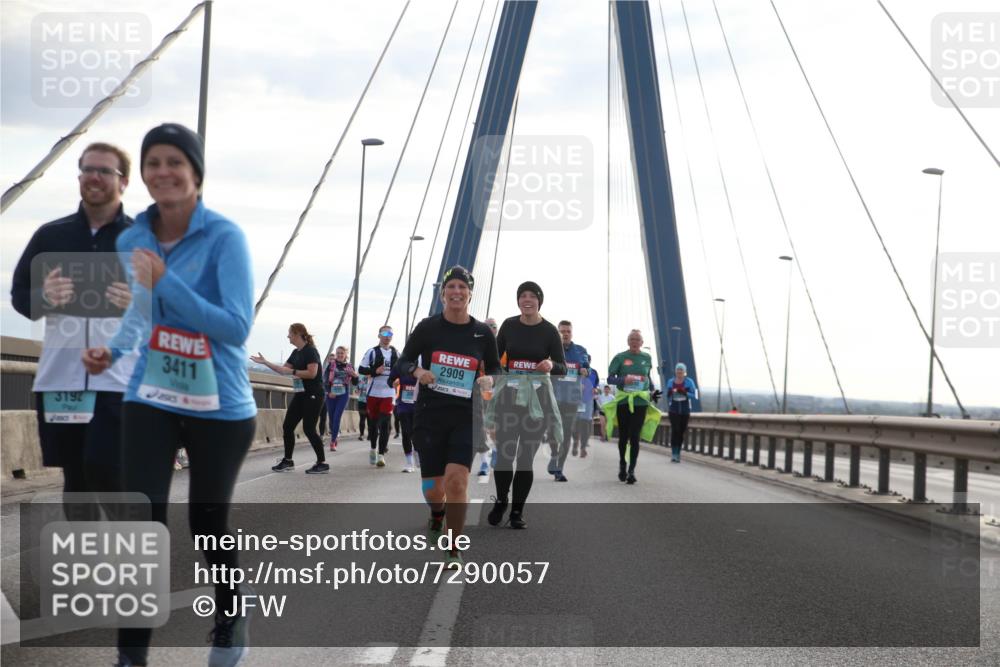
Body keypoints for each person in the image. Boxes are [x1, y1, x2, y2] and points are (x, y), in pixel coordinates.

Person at [81, 123, 257, 667]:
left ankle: (230, 621)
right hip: (153, 392)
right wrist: (113, 350)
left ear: (195, 173)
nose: (163, 172)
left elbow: (235, 327)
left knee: (206, 523)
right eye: (153, 162)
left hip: (220, 404)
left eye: (175, 162)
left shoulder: (225, 237)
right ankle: (130, 656)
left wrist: (166, 281)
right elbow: (142, 311)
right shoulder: (132, 239)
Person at [11, 142, 134, 517]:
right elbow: (20, 298)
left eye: (104, 171)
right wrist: (44, 297)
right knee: (77, 479)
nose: (93, 177)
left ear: (124, 181)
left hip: (120, 379)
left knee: (107, 469)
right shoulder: (51, 235)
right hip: (62, 379)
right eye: (87, 169)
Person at [397, 266, 500, 568]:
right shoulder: (428, 328)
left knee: (457, 483)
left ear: (470, 293)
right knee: (433, 489)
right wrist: (418, 371)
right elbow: (403, 362)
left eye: (462, 287)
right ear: (443, 293)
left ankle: (453, 547)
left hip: (466, 416)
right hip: (430, 414)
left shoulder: (483, 333)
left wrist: (489, 380)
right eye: (451, 287)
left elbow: (494, 368)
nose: (457, 292)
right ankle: (436, 513)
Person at [489, 281, 566, 529]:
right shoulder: (509, 326)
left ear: (539, 301)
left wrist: (551, 366)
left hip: (537, 402)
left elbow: (562, 368)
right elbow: (493, 360)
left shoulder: (550, 331)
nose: (527, 299)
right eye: (523, 296)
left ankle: (517, 512)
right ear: (518, 301)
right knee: (504, 456)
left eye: (532, 296)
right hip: (509, 400)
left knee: (524, 460)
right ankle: (502, 500)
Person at [254, 324, 327, 474]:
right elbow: (283, 370)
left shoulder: (311, 351)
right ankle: (288, 461)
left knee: (309, 429)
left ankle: (322, 463)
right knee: (287, 426)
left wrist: (293, 371)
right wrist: (265, 362)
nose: (288, 337)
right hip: (301, 394)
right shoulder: (296, 352)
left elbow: (312, 373)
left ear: (297, 333)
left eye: (289, 334)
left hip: (314, 394)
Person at [606, 329, 661, 484]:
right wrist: (624, 380)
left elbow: (648, 378)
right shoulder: (620, 357)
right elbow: (610, 379)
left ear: (642, 343)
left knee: (635, 436)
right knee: (624, 436)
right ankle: (622, 464)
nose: (635, 342)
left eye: (637, 339)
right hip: (624, 401)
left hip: (640, 402)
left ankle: (632, 470)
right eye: (632, 339)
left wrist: (652, 391)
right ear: (628, 341)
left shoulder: (647, 357)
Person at [549, 320, 590, 481]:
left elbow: (587, 365)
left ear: (571, 333)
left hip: (572, 399)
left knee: (566, 434)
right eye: (562, 331)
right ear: (558, 333)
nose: (565, 334)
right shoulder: (551, 349)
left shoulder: (580, 350)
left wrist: (585, 369)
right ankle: (554, 454)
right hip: (553, 397)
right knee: (552, 431)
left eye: (568, 331)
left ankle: (559, 469)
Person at [358, 326, 399, 467]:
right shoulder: (372, 352)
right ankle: (373, 449)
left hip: (388, 392)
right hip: (373, 392)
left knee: (385, 423)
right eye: (385, 333)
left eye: (390, 334)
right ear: (379, 335)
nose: (388, 336)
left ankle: (381, 455)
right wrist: (375, 370)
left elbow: (402, 370)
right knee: (374, 424)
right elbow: (361, 369)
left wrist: (399, 378)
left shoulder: (396, 353)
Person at [476, 317, 500, 476]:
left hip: (497, 390)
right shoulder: (475, 345)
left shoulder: (503, 347)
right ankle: (484, 461)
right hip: (477, 390)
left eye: (493, 326)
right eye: (487, 326)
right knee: (479, 426)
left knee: (493, 427)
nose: (490, 328)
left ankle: (496, 449)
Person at [322, 346, 358, 451]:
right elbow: (325, 380)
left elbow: (355, 383)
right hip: (331, 394)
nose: (340, 355)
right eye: (338, 353)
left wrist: (354, 375)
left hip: (343, 394)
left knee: (337, 416)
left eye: (342, 353)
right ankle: (334, 435)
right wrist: (329, 392)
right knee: (332, 418)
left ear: (346, 355)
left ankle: (332, 442)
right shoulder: (331, 365)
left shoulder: (349, 366)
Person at [387, 363, 418, 472]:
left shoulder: (423, 361)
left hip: (418, 406)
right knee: (406, 433)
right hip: (403, 405)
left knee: (417, 433)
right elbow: (389, 381)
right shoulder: (400, 365)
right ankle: (409, 463)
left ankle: (417, 453)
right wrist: (394, 383)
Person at [666, 363, 699, 462]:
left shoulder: (689, 382)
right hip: (673, 410)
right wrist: (671, 392)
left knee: (680, 432)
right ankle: (674, 454)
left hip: (685, 410)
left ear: (684, 372)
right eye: (678, 370)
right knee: (675, 430)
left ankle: (678, 452)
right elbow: (667, 395)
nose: (679, 372)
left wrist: (685, 392)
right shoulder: (671, 381)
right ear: (675, 371)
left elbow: (695, 395)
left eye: (681, 370)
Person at [573, 364, 600, 458]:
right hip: (576, 403)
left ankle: (583, 447)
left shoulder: (594, 373)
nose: (584, 371)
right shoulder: (574, 372)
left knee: (586, 425)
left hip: (588, 403)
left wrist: (596, 389)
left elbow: (597, 385)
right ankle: (576, 443)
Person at [356, 374, 369, 440]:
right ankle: (369, 435)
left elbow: (357, 389)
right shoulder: (374, 376)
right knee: (368, 419)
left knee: (362, 418)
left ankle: (362, 435)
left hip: (362, 400)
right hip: (368, 400)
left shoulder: (361, 376)